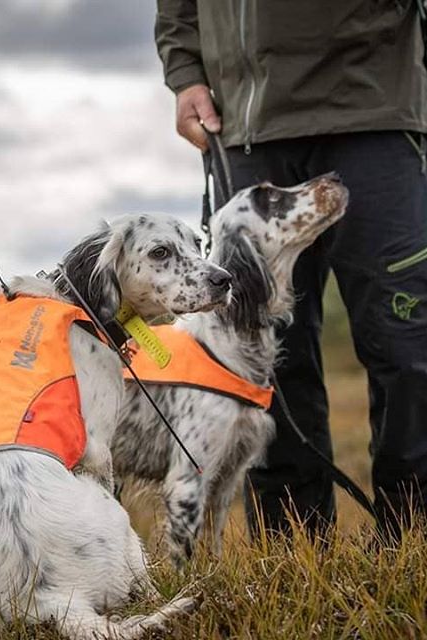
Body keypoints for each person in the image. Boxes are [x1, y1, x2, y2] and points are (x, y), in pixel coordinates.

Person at [155, 0, 427, 538]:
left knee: (409, 346)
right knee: (263, 363)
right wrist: (186, 71)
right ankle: (293, 550)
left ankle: (414, 537)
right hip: (244, 123)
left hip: (375, 109)